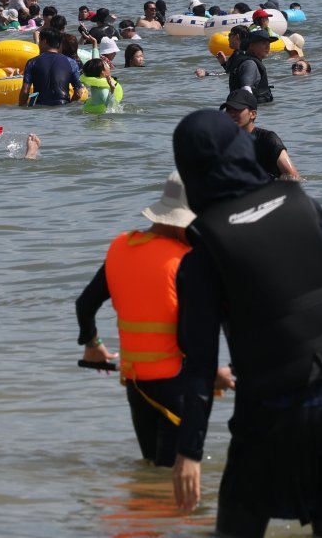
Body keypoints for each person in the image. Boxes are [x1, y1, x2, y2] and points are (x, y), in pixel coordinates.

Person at [169, 110, 322, 537]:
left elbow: (200, 366)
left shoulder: (203, 251)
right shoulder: (305, 205)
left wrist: (189, 452)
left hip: (272, 410)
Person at [76, 172, 227, 467]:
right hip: (176, 387)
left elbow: (85, 304)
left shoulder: (121, 247)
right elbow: (188, 337)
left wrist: (92, 344)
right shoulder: (186, 261)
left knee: (150, 468)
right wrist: (212, 372)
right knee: (173, 475)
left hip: (137, 385)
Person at [220, 88, 299, 179]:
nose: (231, 114)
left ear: (253, 114)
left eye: (237, 109)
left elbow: (293, 176)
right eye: (228, 110)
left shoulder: (268, 139)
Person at [18, 29, 83, 107]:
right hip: (63, 108)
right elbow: (79, 93)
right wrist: (68, 105)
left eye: (39, 41)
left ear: (44, 41)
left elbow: (25, 92)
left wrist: (22, 108)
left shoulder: (32, 62)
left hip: (40, 108)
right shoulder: (71, 62)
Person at [226, 27, 274, 104]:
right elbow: (246, 89)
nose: (267, 47)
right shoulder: (250, 64)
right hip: (250, 108)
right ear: (251, 46)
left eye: (268, 44)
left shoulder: (248, 61)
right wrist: (249, 109)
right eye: (263, 43)